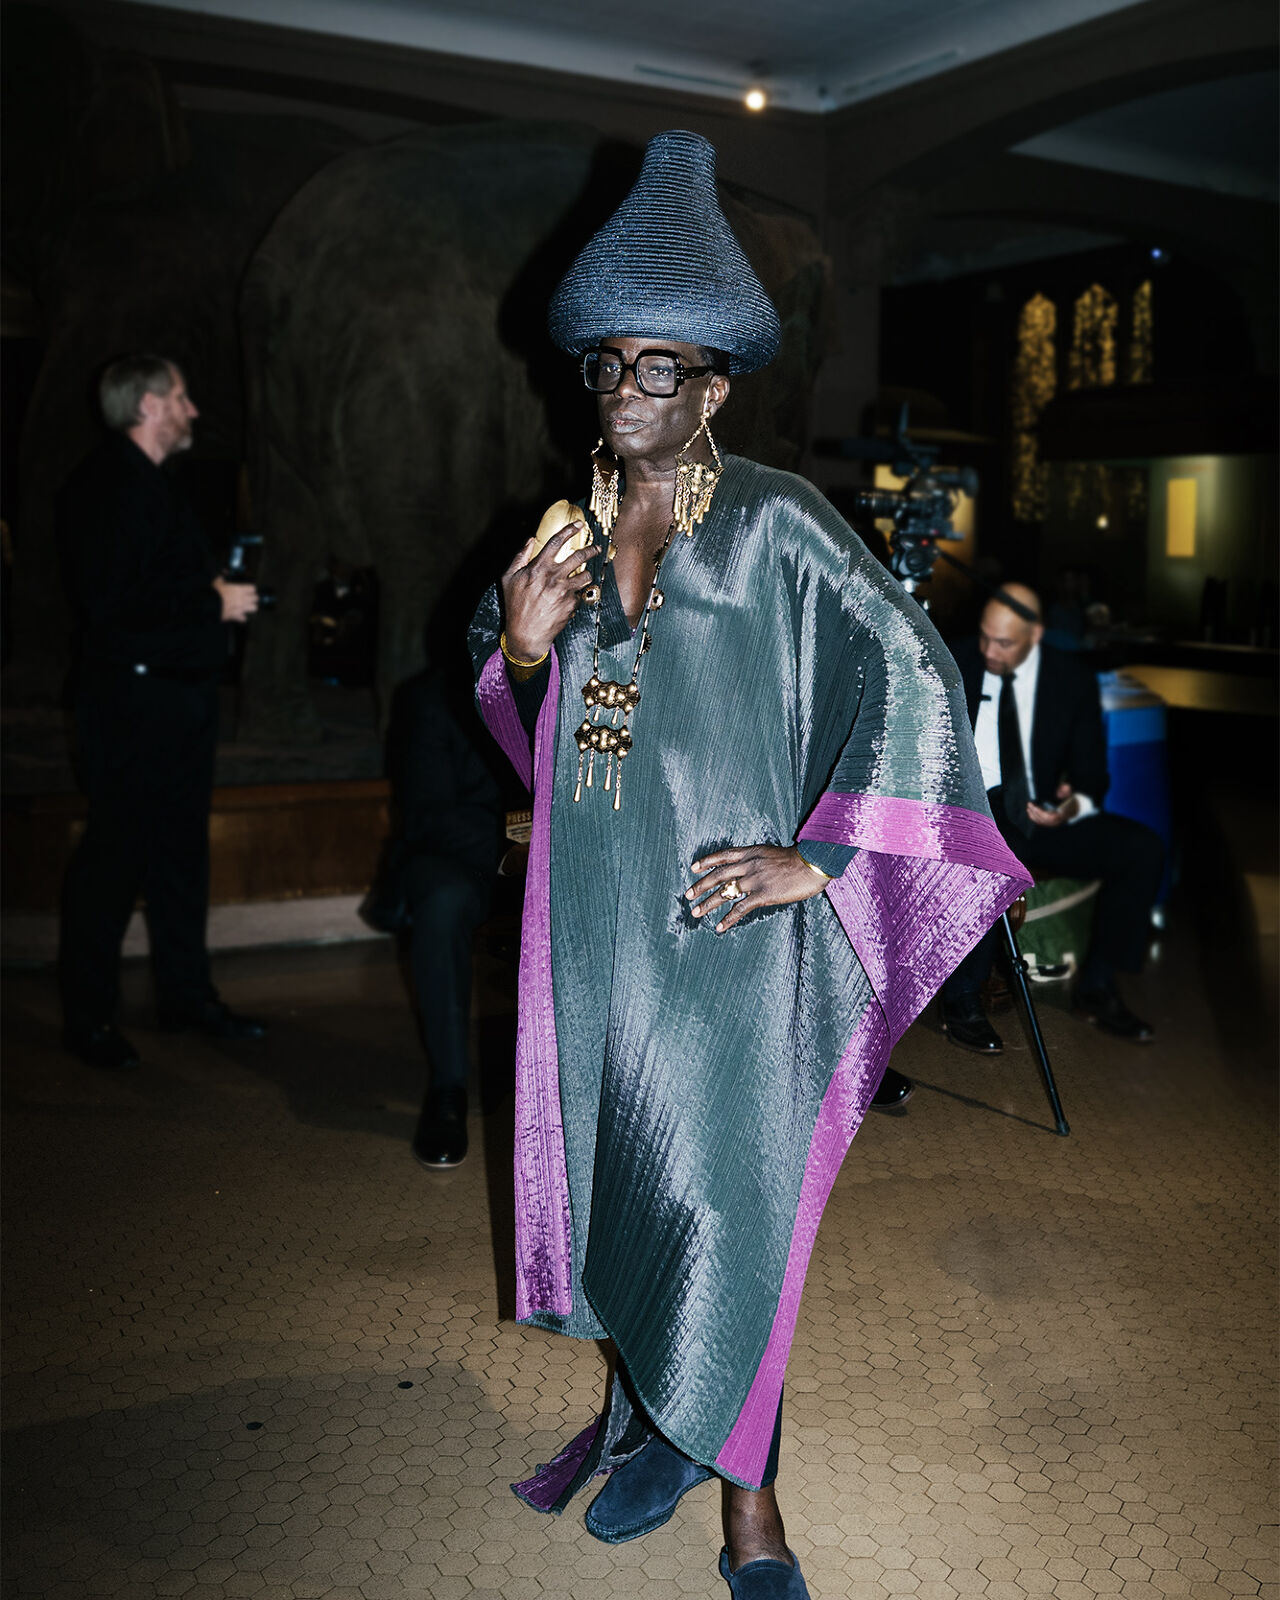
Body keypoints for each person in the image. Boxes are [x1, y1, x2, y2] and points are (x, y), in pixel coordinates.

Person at [468, 131, 1030, 1599]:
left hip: (722, 932)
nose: (624, 390)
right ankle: (652, 1420)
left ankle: (752, 1515)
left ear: (716, 385)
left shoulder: (778, 521)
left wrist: (825, 856)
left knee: (729, 1204)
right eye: (606, 364)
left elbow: (911, 677)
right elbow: (513, 700)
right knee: (618, 1185)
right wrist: (520, 650)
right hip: (590, 923)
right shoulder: (564, 531)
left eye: (658, 367)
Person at [57, 353, 266, 1069]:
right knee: (113, 861)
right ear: (148, 405)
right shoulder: (106, 486)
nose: (193, 410)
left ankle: (186, 996)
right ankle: (87, 1018)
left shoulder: (148, 483)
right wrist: (213, 601)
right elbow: (112, 606)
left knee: (178, 858)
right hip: (132, 706)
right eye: (181, 396)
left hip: (172, 699)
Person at [940, 583, 1163, 1051]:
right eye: (985, 637)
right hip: (965, 809)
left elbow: (1091, 776)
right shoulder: (951, 660)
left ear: (1035, 635)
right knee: (1003, 848)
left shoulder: (1070, 679)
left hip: (1037, 813)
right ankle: (962, 999)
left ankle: (1097, 986)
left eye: (1004, 643)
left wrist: (1071, 806)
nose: (989, 651)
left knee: (1141, 848)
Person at [378, 665, 522, 1168]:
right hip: (458, 857)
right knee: (442, 900)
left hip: (550, 858)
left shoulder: (571, 679)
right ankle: (447, 1090)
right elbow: (429, 814)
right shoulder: (431, 697)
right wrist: (511, 851)